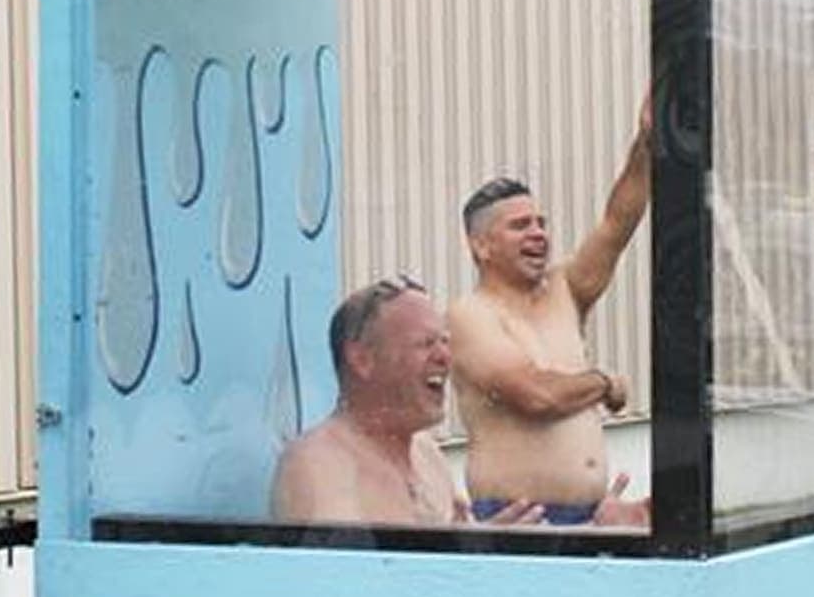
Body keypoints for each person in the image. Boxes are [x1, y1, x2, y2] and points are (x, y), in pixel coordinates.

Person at [449, 100, 652, 526]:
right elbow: (536, 396)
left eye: (541, 223)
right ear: (480, 245)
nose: (539, 233)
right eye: (520, 226)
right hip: (520, 517)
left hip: (592, 515)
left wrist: (648, 140)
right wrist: (604, 382)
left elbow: (618, 223)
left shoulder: (566, 290)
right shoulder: (470, 316)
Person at [270, 276, 540, 527]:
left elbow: (441, 563)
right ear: (362, 359)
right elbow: (341, 576)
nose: (445, 357)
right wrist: (468, 559)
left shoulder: (427, 454)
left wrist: (477, 548)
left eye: (445, 342)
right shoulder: (318, 465)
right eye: (426, 343)